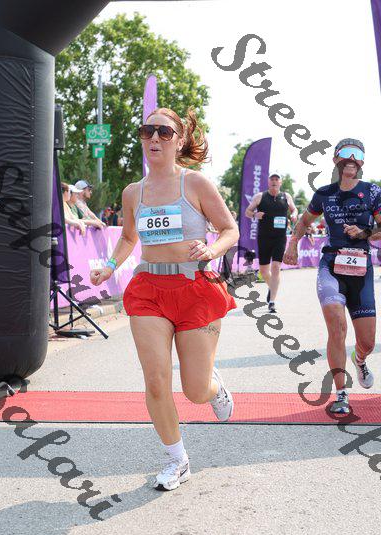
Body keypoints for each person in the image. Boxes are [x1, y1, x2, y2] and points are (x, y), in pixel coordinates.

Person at [90, 107, 239, 491]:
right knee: (156, 381)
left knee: (194, 390)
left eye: (164, 132)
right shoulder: (132, 192)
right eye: (148, 131)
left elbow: (229, 229)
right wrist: (109, 266)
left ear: (179, 139)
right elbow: (128, 238)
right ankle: (177, 460)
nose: (154, 138)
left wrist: (211, 250)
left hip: (195, 290)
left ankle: (213, 385)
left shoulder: (196, 184)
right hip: (149, 292)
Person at [283, 138, 381, 414]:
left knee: (367, 341)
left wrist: (364, 233)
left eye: (358, 153)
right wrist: (292, 244)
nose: (352, 158)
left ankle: (359, 360)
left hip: (361, 269)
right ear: (336, 159)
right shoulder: (324, 194)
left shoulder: (372, 192)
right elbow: (304, 221)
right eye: (346, 152)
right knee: (337, 325)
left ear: (362, 161)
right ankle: (341, 393)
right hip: (331, 265)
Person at [245, 172, 298, 313]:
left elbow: (294, 209)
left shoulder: (286, 196)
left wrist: (294, 214)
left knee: (275, 267)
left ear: (280, 182)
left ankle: (272, 302)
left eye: (277, 179)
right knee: (264, 271)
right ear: (268, 182)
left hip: (280, 238)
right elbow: (247, 212)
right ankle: (272, 287)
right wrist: (255, 214)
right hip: (264, 237)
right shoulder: (260, 196)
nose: (274, 181)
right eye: (272, 179)